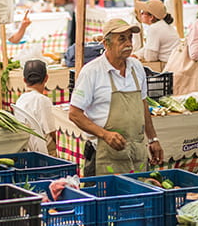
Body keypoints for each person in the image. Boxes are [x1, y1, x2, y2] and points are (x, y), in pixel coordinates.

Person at [68, 18, 163, 176]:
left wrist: (153, 139)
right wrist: (105, 134)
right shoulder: (92, 72)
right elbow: (74, 113)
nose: (128, 44)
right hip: (104, 155)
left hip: (136, 153)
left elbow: (143, 105)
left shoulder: (137, 68)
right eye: (122, 39)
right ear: (106, 44)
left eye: (130, 38)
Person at [16, 59, 57, 156]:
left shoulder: (20, 100)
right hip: (45, 150)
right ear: (46, 78)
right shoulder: (43, 100)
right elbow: (52, 132)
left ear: (24, 80)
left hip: (28, 148)